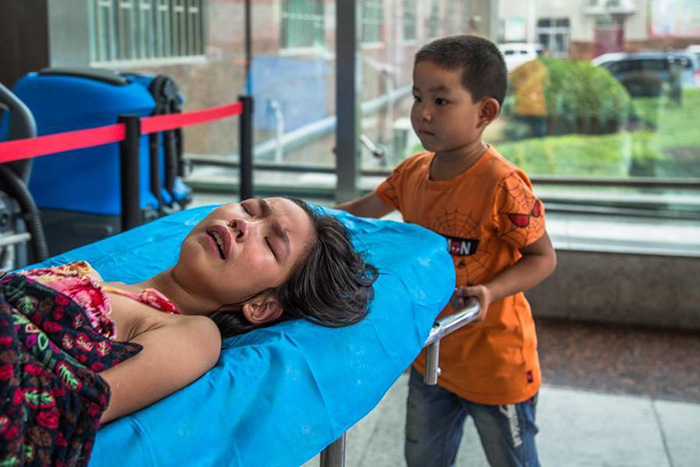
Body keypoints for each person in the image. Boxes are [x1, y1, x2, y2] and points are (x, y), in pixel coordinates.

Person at [1, 197, 377, 465]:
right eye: (249, 208)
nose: (243, 224)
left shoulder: (192, 333)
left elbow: (71, 407)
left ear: (261, 305)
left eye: (270, 242)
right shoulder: (90, 276)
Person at [337, 35, 557, 467]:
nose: (422, 113)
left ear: (485, 112)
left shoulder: (504, 186)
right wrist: (299, 217)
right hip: (430, 356)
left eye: (442, 101)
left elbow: (542, 258)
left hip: (497, 365)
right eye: (418, 96)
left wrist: (491, 292)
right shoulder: (412, 172)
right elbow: (359, 214)